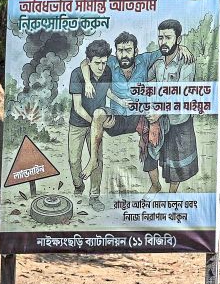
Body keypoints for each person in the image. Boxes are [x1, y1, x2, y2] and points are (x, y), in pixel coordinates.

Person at [80, 31, 190, 209]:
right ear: (115, 52)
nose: (124, 54)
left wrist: (180, 47)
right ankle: (93, 161)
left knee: (153, 138)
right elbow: (86, 62)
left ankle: (155, 185)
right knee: (99, 115)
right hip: (118, 118)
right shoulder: (111, 61)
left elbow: (167, 50)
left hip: (140, 116)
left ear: (135, 51)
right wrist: (87, 81)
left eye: (128, 50)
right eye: (120, 50)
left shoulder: (145, 60)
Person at [143, 19, 199, 193]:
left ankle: (171, 195)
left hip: (179, 120)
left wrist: (159, 112)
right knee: (150, 154)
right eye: (160, 38)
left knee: (176, 163)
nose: (163, 42)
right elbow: (145, 78)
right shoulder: (158, 63)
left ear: (178, 39)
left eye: (168, 37)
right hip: (159, 121)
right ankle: (155, 186)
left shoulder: (187, 62)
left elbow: (182, 93)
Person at [67, 40, 112, 201]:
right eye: (97, 63)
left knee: (97, 160)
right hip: (78, 124)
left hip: (96, 125)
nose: (101, 67)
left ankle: (94, 196)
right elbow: (78, 107)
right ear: (89, 62)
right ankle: (79, 185)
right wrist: (94, 122)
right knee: (73, 160)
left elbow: (108, 93)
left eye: (104, 62)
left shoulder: (108, 71)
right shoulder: (76, 74)